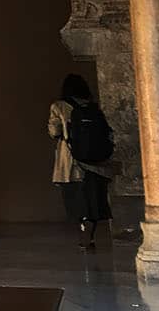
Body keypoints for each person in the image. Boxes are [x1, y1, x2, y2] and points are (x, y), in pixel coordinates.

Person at [48, 74, 116, 249]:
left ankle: (83, 232)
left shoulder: (59, 106)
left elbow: (54, 131)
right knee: (93, 198)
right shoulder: (92, 107)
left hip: (71, 161)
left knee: (76, 198)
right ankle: (90, 234)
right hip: (95, 163)